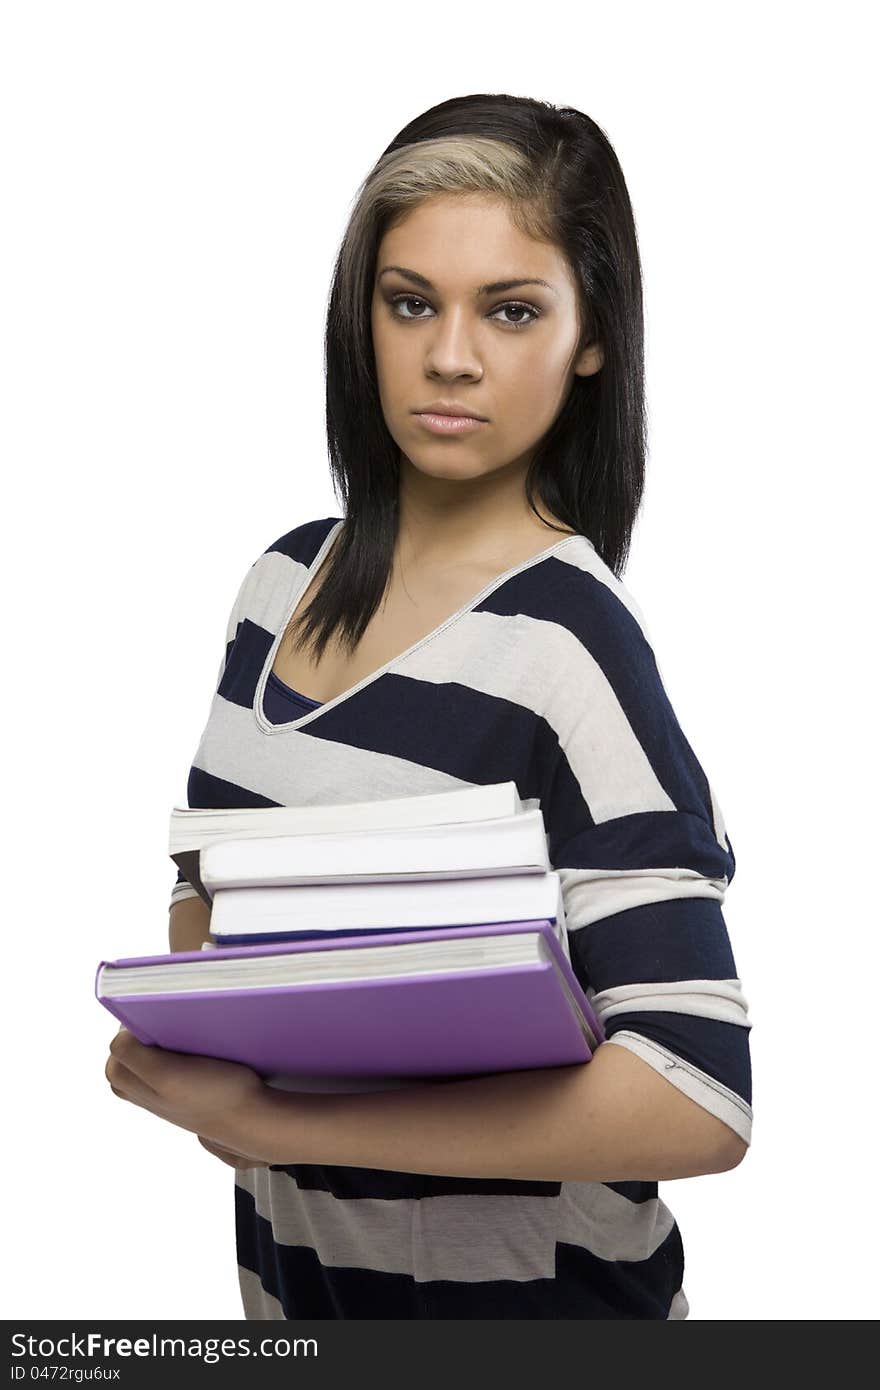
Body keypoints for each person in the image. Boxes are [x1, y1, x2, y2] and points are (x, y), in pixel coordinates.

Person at [106, 92, 753, 1319]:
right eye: (411, 302)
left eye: (511, 310)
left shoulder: (573, 648)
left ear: (591, 336)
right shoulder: (276, 586)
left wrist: (269, 1111)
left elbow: (696, 1099)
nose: (450, 356)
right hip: (301, 1302)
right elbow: (209, 910)